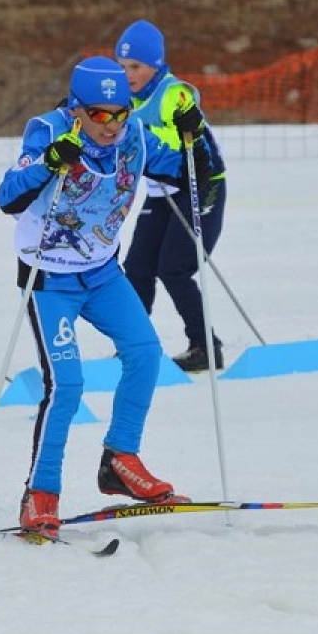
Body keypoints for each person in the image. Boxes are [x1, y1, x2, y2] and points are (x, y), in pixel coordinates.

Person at [0, 55, 223, 539]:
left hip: (102, 275)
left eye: (120, 111)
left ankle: (119, 460)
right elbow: (7, 198)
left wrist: (195, 136)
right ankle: (41, 493)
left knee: (145, 354)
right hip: (50, 279)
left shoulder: (135, 134)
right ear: (77, 109)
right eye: (99, 114)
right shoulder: (48, 130)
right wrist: (50, 164)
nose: (111, 124)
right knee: (68, 385)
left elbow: (187, 174)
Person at [115, 19, 229, 372]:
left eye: (135, 66)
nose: (127, 74)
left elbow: (197, 145)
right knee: (136, 268)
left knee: (174, 268)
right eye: (121, 67)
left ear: (156, 64)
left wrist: (204, 186)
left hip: (198, 185)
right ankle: (136, 349)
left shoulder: (172, 93)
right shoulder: (127, 99)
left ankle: (205, 346)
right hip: (161, 192)